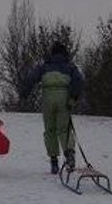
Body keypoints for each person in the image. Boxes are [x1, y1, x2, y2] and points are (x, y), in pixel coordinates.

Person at [20, 41, 84, 174]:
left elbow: (31, 78)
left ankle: (54, 162)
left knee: (50, 130)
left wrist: (24, 94)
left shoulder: (44, 67)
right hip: (64, 99)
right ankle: (70, 154)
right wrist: (73, 98)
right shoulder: (70, 67)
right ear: (64, 53)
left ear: (52, 53)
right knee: (64, 130)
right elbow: (79, 81)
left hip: (48, 100)